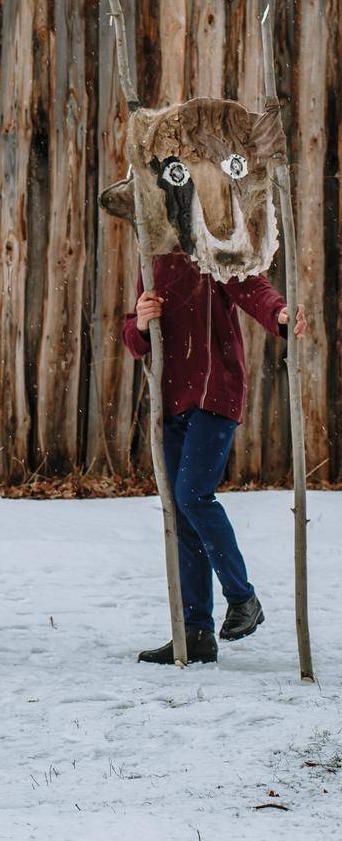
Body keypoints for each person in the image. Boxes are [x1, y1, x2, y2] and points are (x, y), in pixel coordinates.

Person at [124, 253, 306, 665]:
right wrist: (139, 320)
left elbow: (253, 290)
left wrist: (279, 315)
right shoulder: (153, 260)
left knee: (192, 496)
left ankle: (243, 599)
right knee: (180, 512)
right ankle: (196, 633)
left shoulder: (212, 251)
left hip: (214, 391)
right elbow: (134, 340)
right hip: (169, 402)